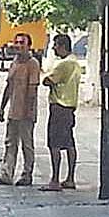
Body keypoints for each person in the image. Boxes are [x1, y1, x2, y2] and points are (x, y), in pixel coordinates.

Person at [0, 33, 41, 186]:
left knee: (26, 144)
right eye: (16, 42)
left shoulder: (32, 64)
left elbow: (32, 89)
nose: (18, 45)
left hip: (26, 112)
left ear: (29, 45)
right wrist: (2, 107)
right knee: (10, 143)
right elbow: (9, 86)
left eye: (22, 42)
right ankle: (6, 174)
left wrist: (29, 110)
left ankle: (27, 174)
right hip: (13, 111)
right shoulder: (15, 62)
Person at [40, 34, 81, 191]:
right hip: (70, 107)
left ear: (63, 46)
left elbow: (47, 80)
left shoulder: (63, 64)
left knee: (55, 144)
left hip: (59, 105)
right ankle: (70, 178)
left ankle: (55, 180)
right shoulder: (75, 62)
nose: (54, 48)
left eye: (56, 45)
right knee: (69, 142)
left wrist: (47, 78)